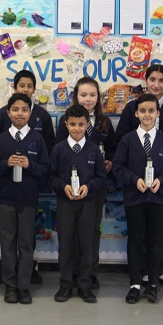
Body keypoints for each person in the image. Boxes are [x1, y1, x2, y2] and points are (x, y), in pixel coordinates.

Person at [115, 64, 163, 287]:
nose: (156, 84)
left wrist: (160, 149)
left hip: (161, 178)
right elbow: (122, 136)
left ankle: (159, 269)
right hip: (135, 177)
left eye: (161, 80)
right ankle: (140, 271)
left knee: (159, 224)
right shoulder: (131, 108)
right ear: (146, 80)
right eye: (152, 79)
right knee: (138, 227)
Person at [0, 69, 54, 284]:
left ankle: (24, 281)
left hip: (29, 193)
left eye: (29, 86)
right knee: (7, 241)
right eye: (21, 85)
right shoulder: (2, 124)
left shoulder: (41, 119)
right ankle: (9, 279)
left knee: (27, 240)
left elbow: (47, 155)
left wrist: (31, 164)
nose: (25, 89)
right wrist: (5, 162)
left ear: (34, 90)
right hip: (7, 193)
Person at [55, 76, 116, 289]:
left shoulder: (104, 122)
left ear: (98, 97)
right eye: (83, 95)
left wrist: (109, 163)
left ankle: (89, 273)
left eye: (92, 95)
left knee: (91, 231)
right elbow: (59, 153)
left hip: (93, 187)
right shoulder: (66, 121)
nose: (87, 99)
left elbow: (114, 150)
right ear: (76, 97)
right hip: (68, 188)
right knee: (69, 232)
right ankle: (69, 276)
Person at [49, 104, 107, 304]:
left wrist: (88, 187)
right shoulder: (58, 149)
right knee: (66, 245)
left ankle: (84, 286)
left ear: (87, 124)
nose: (76, 128)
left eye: (80, 124)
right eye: (72, 124)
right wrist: (63, 186)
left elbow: (101, 177)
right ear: (66, 124)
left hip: (88, 204)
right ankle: (65, 285)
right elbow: (51, 177)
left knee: (86, 245)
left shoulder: (94, 151)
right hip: (65, 203)